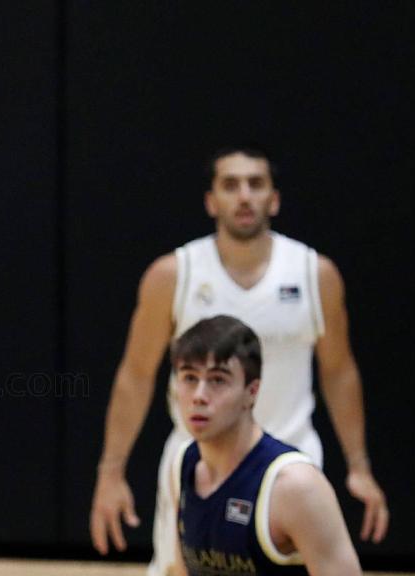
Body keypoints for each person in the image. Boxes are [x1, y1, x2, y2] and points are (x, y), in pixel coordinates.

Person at [88, 147, 388, 574]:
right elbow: (135, 375)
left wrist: (359, 466)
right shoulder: (172, 275)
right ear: (211, 201)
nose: (244, 196)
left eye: (256, 184)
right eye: (230, 185)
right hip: (198, 463)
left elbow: (339, 371)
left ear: (275, 199)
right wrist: (111, 471)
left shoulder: (313, 274)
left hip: (286, 469)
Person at [167, 315, 361, 575]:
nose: (199, 396)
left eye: (217, 380)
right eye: (190, 378)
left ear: (252, 391)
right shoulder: (183, 463)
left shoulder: (296, 486)